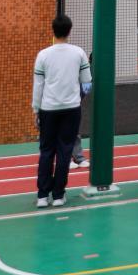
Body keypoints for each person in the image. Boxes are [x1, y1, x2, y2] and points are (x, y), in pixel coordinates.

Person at [32, 14, 92, 208]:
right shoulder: (78, 53)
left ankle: (42, 196)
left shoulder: (43, 55)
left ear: (53, 30)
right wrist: (77, 97)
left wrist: (36, 109)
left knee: (46, 151)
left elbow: (38, 85)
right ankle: (59, 195)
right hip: (71, 108)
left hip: (48, 108)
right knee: (65, 151)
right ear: (69, 30)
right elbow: (87, 82)